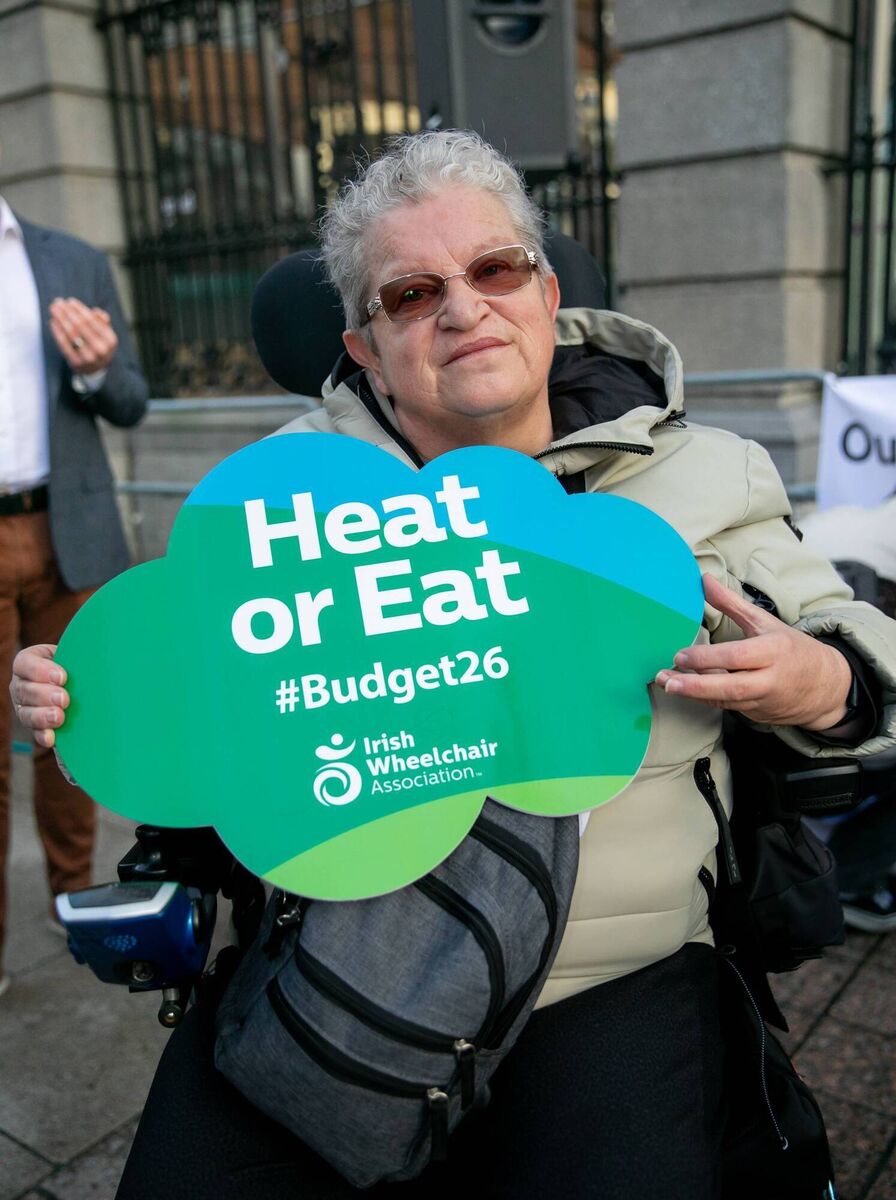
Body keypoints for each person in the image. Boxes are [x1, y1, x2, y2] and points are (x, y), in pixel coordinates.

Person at [10, 131, 896, 1198]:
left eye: (493, 269)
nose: (462, 308)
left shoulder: (704, 474)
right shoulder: (281, 507)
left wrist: (826, 683)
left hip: (612, 972)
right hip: (351, 951)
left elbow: (865, 658)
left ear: (544, 288)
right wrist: (91, 698)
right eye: (411, 293)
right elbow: (202, 711)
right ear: (366, 343)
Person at [0, 194, 148, 996]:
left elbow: (130, 399)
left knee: (69, 729)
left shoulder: (72, 258)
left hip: (67, 528)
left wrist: (93, 367)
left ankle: (69, 899)